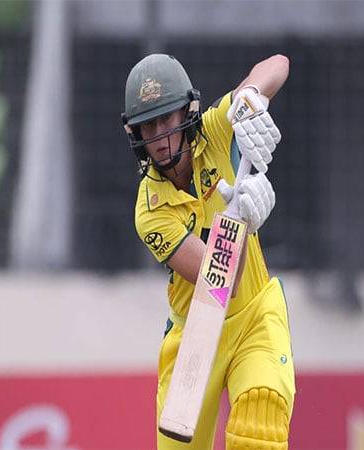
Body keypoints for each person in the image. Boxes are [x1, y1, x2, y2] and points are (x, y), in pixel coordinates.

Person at [122, 53, 295, 450]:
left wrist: (248, 98)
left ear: (188, 112)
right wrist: (239, 220)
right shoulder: (150, 213)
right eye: (150, 125)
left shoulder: (216, 131)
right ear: (136, 133)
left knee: (259, 424)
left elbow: (278, 65)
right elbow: (220, 285)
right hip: (194, 332)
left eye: (168, 118)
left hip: (254, 316)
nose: (162, 136)